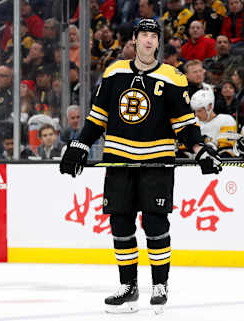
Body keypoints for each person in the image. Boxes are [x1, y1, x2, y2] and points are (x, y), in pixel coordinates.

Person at [59, 19, 222, 314]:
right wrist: (79, 145)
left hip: (156, 162)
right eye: (143, 35)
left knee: (155, 224)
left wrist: (199, 150)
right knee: (120, 224)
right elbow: (97, 118)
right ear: (134, 39)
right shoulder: (114, 73)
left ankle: (159, 285)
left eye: (153, 36)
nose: (148, 41)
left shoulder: (174, 78)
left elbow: (185, 125)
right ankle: (128, 286)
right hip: (119, 161)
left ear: (159, 42)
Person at [190, 88, 237, 157]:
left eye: (199, 111)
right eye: (195, 111)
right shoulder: (193, 122)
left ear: (209, 107)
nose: (196, 114)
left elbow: (227, 151)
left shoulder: (226, 120)